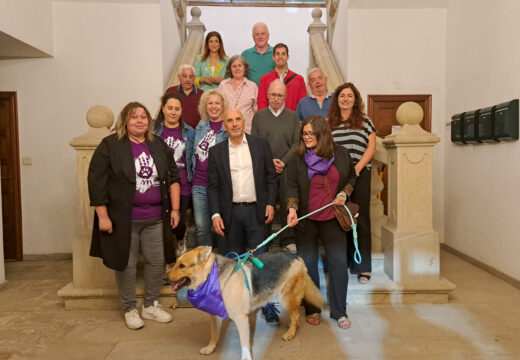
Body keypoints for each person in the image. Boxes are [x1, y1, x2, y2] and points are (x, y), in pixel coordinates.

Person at [88, 102, 180, 330]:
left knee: (157, 262)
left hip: (156, 217)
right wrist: (103, 216)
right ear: (125, 121)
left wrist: (176, 209)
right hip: (123, 218)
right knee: (126, 264)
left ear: (149, 121)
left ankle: (150, 305)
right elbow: (96, 182)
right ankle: (129, 308)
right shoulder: (111, 145)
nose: (140, 120)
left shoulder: (157, 144)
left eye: (143, 117)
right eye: (134, 117)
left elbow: (173, 176)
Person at [207, 108, 279, 325]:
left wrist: (270, 203)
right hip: (230, 215)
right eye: (230, 120)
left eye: (238, 119)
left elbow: (270, 177)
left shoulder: (260, 145)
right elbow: (212, 186)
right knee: (233, 262)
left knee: (261, 261)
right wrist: (215, 214)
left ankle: (267, 306)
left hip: (257, 212)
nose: (235, 123)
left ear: (243, 121)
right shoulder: (216, 151)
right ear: (224, 125)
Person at [286, 115, 356, 329]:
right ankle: (313, 308)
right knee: (308, 266)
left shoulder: (341, 154)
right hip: (307, 221)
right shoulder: (297, 158)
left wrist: (344, 193)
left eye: (311, 133)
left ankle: (339, 311)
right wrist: (292, 209)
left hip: (332, 219)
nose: (307, 137)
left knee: (337, 264)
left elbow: (351, 177)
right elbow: (291, 186)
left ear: (322, 134)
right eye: (304, 134)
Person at [327, 82, 376, 284]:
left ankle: (363, 267)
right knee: (340, 219)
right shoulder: (329, 122)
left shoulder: (365, 121)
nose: (345, 99)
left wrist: (356, 170)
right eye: (342, 96)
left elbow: (371, 148)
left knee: (360, 219)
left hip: (360, 173)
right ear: (336, 99)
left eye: (349, 96)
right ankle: (344, 262)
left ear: (355, 100)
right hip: (337, 176)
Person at [251, 79, 299, 253]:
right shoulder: (259, 116)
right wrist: (269, 162)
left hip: (287, 167)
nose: (276, 98)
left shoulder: (293, 117)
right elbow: (255, 143)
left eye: (280, 95)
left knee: (289, 200)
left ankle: (288, 239)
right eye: (273, 95)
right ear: (267, 95)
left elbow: (296, 143)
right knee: (265, 202)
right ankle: (265, 239)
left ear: (285, 96)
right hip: (265, 168)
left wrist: (283, 161)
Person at [153, 92, 195, 250]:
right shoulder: (153, 129)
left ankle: (180, 240)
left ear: (181, 110)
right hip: (159, 184)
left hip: (183, 185)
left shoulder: (189, 132)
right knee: (162, 224)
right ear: (163, 109)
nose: (173, 112)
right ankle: (166, 257)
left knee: (178, 222)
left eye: (177, 108)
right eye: (169, 108)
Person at [192, 89, 229, 248]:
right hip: (199, 184)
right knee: (201, 227)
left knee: (221, 226)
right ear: (205, 106)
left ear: (223, 106)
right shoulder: (200, 126)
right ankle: (206, 264)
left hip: (220, 185)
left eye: (217, 103)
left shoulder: (228, 127)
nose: (214, 107)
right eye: (210, 103)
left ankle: (222, 262)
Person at [257, 43, 306, 112]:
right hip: (270, 120)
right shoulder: (264, 79)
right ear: (273, 57)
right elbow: (261, 103)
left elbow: (302, 105)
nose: (280, 57)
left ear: (288, 57)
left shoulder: (299, 80)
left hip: (291, 120)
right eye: (277, 54)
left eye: (283, 54)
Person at [218, 55, 258, 134]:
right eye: (234, 66)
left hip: (246, 132)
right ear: (230, 69)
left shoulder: (252, 86)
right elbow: (218, 108)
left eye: (240, 65)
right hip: (225, 132)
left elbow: (256, 111)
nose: (237, 69)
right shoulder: (223, 85)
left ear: (244, 68)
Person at [164, 64, 204, 129]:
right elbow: (163, 113)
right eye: (184, 76)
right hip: (173, 130)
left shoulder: (202, 94)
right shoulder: (170, 91)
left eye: (191, 77)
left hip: (195, 133)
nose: (188, 80)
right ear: (179, 77)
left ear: (194, 78)